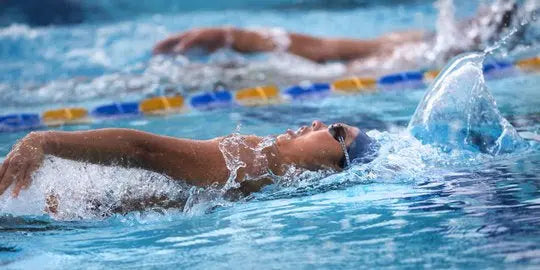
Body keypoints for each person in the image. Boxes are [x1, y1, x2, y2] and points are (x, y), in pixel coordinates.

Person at [0, 121, 376, 201]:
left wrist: (44, 141)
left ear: (332, 167)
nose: (318, 124)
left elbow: (141, 150)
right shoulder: (267, 173)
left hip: (45, 208)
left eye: (336, 132)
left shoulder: (250, 162)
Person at [152, 0, 519, 75]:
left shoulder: (440, 48)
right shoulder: (427, 44)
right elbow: (324, 49)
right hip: (280, 74)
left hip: (281, 77)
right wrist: (235, 36)